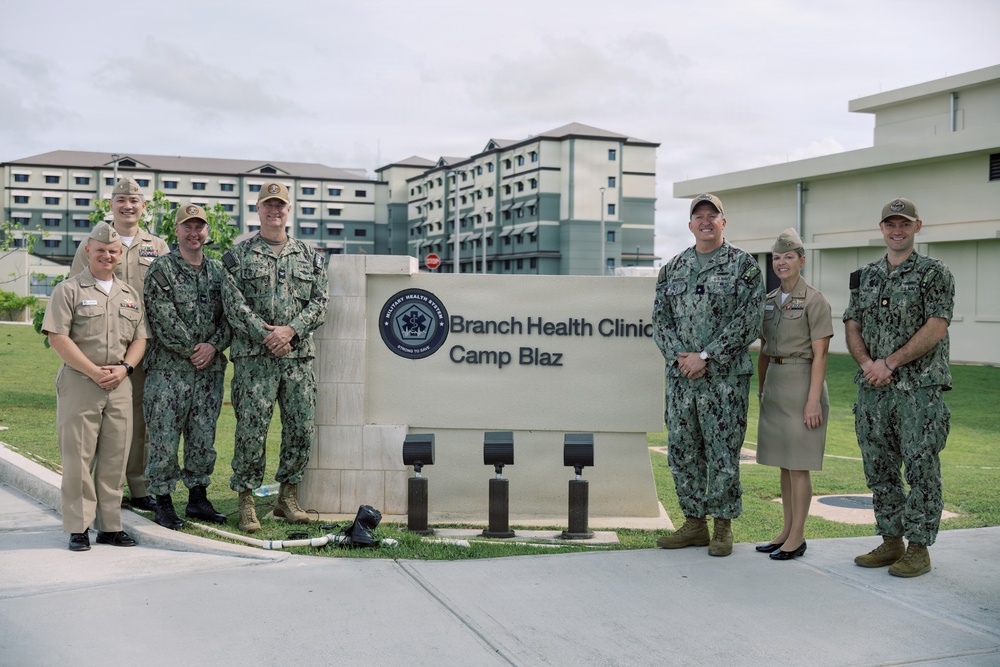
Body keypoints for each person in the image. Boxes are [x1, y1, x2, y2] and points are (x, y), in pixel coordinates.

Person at [844, 197, 954, 578]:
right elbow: (852, 324)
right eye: (890, 224)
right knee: (879, 466)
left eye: (904, 224)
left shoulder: (933, 273)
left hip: (918, 391)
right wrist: (866, 365)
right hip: (873, 392)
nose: (897, 230)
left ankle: (919, 548)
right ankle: (891, 541)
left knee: (922, 467)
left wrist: (889, 363)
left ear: (916, 227)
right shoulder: (865, 276)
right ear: (881, 229)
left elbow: (937, 327)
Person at [652, 193, 765, 556]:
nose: (705, 221)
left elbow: (748, 321)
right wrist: (683, 360)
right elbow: (660, 321)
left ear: (723, 222)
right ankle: (694, 523)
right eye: (698, 216)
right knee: (682, 450)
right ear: (690, 225)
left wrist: (706, 357)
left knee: (722, 452)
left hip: (725, 381)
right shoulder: (672, 268)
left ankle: (722, 527)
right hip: (682, 380)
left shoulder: (744, 266)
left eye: (711, 215)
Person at [221, 181, 329, 533]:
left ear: (289, 210)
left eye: (280, 205)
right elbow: (234, 306)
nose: (274, 210)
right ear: (258, 210)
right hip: (255, 359)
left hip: (297, 359)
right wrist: (269, 335)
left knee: (300, 428)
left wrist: (291, 330)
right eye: (268, 205)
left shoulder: (310, 257)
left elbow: (320, 303)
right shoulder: (237, 257)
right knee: (252, 431)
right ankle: (247, 501)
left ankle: (287, 497)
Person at [42, 222, 150, 551]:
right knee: (78, 457)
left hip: (119, 383)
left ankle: (111, 527)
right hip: (80, 382)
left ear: (119, 256)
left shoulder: (130, 295)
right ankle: (79, 526)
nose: (107, 255)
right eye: (100, 250)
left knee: (115, 458)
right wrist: (92, 370)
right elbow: (58, 337)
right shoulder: (69, 290)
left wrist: (125, 368)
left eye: (113, 251)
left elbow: (140, 338)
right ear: (88, 251)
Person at [72, 177, 170, 513]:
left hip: (142, 349)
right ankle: (99, 490)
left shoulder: (157, 246)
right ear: (111, 204)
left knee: (137, 421)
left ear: (144, 206)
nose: (128, 205)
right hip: (98, 352)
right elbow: (75, 290)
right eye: (121, 199)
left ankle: (138, 486)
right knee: (94, 423)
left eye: (134, 200)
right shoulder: (91, 243)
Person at [143, 204, 232, 530]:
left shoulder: (219, 272)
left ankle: (198, 498)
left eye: (199, 227)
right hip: (169, 372)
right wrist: (195, 349)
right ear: (176, 231)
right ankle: (163, 502)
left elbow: (230, 317)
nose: (194, 233)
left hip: (208, 374)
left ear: (207, 232)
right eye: (187, 227)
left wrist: (213, 346)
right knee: (164, 439)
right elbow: (162, 318)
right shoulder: (161, 269)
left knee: (202, 438)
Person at [755, 228, 833, 560]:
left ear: (802, 259)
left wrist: (813, 400)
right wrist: (761, 389)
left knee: (799, 466)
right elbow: (763, 350)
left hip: (803, 384)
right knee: (784, 466)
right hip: (776, 384)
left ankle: (798, 537)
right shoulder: (770, 301)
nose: (782, 262)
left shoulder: (815, 300)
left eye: (789, 256)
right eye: (777, 257)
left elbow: (822, 354)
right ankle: (785, 530)